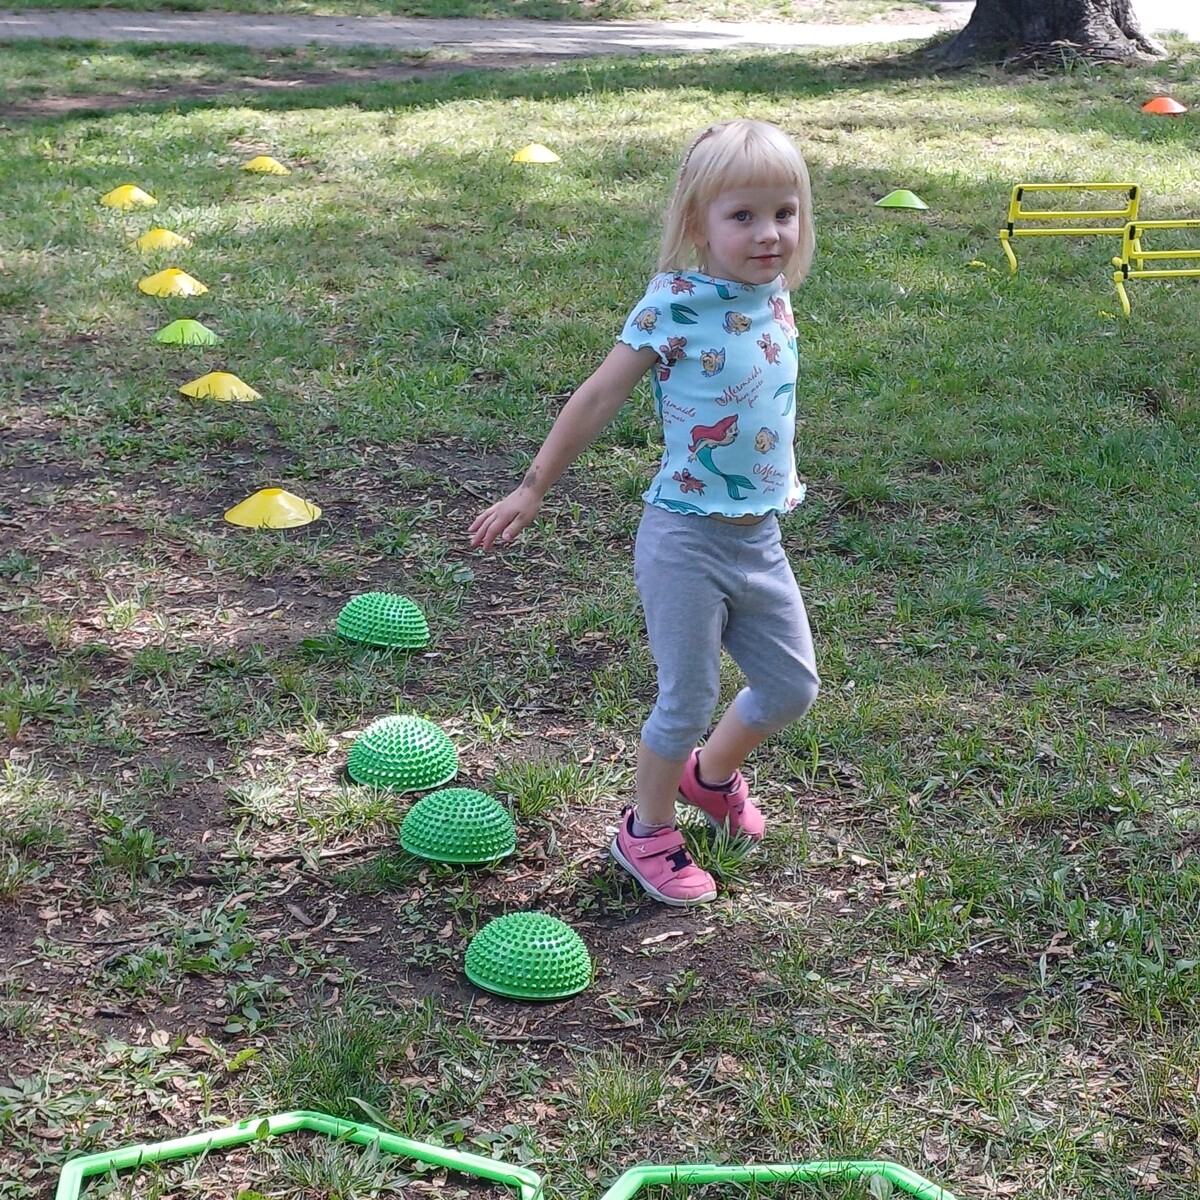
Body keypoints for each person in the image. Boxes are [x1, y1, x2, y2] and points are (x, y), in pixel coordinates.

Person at [469, 119, 821, 907]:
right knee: (687, 698)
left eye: (784, 212)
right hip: (684, 540)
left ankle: (710, 777)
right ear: (698, 224)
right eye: (743, 216)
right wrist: (532, 486)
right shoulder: (675, 304)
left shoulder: (774, 296)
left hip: (757, 536)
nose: (768, 234)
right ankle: (646, 831)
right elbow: (600, 395)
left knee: (792, 687)